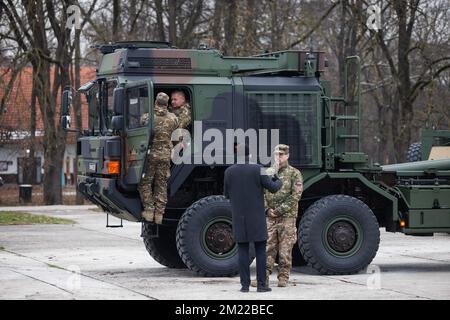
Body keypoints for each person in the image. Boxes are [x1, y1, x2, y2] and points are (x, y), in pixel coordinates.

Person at [224, 145, 282, 293]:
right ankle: (262, 285)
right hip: (256, 218)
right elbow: (273, 187)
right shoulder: (259, 169)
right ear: (250, 155)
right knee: (260, 250)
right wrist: (278, 179)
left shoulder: (229, 172)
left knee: (242, 251)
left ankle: (244, 286)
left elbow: (227, 195)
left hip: (239, 218)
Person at [263, 144, 303, 287]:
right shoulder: (267, 172)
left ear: (287, 155)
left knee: (285, 248)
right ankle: (264, 277)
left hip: (287, 217)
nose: (278, 157)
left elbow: (295, 196)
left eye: (281, 154)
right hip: (270, 216)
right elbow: (261, 193)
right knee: (268, 246)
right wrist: (267, 210)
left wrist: (279, 210)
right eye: (276, 155)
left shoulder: (294, 173)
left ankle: (283, 277)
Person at [138, 92, 179, 225]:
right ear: (167, 104)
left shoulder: (147, 117)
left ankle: (149, 211)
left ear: (155, 102)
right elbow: (176, 135)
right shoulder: (173, 118)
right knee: (161, 185)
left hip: (150, 156)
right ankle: (159, 215)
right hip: (165, 156)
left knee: (145, 183)